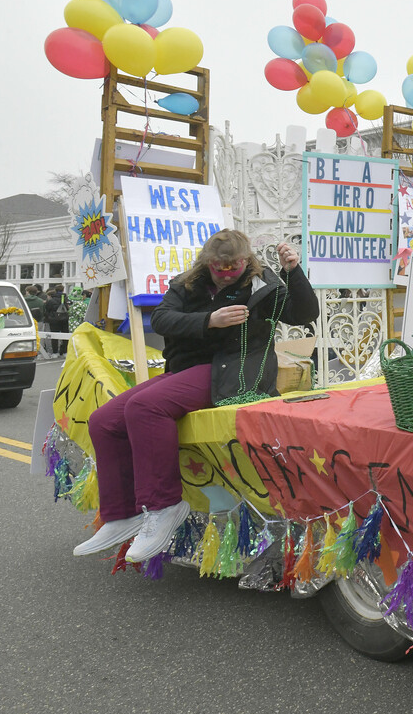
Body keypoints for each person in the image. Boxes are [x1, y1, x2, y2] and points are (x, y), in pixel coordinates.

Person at [73, 232, 318, 563]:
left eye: (234, 266)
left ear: (247, 261)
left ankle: (164, 506)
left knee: (145, 407)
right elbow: (161, 319)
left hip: (235, 373)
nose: (226, 272)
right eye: (219, 266)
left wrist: (293, 271)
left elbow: (303, 314)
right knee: (103, 421)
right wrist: (209, 320)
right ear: (207, 262)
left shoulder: (262, 285)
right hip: (185, 371)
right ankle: (121, 514)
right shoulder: (188, 284)